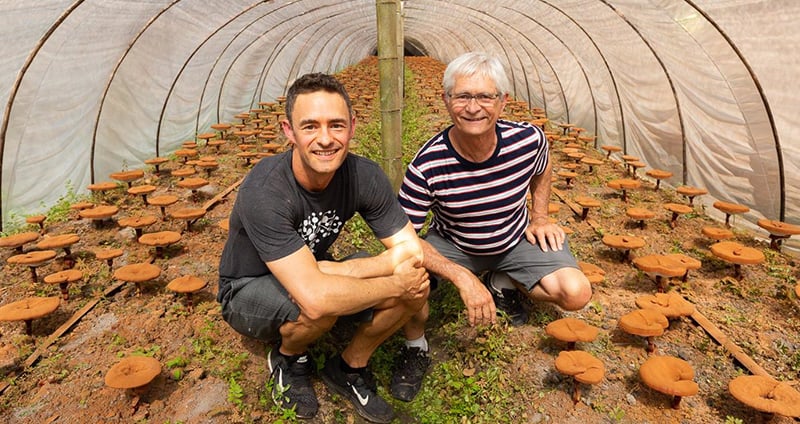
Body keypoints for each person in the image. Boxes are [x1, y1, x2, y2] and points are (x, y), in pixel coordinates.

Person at [217, 72, 429, 423]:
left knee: (415, 281)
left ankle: (349, 366)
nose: (326, 139)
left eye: (336, 125)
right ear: (289, 131)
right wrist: (392, 282)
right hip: (246, 286)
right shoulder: (266, 190)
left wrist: (340, 270)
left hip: (310, 269)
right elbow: (317, 298)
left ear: (353, 126)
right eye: (310, 126)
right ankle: (288, 357)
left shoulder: (364, 175)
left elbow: (411, 252)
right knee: (319, 308)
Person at [390, 52, 592, 401]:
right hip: (456, 244)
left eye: (485, 96)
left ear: (502, 102)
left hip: (514, 239)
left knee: (576, 293)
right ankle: (415, 346)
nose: (473, 107)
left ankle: (502, 279)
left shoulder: (528, 140)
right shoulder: (427, 164)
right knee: (406, 280)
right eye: (463, 96)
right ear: (446, 100)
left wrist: (540, 217)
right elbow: (403, 237)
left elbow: (543, 170)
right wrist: (460, 276)